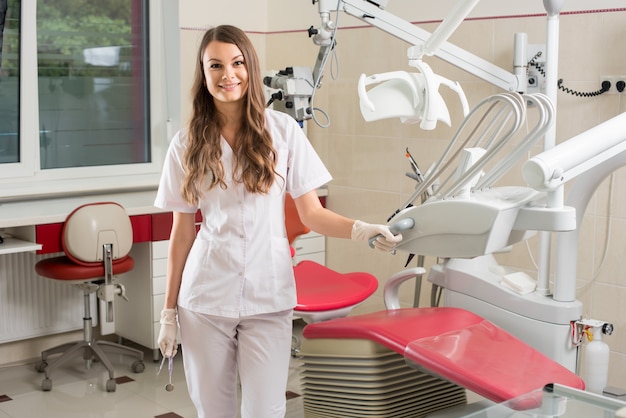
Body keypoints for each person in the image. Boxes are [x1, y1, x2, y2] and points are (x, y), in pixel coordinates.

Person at [154, 24, 402, 418]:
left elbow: (312, 213)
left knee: (267, 411)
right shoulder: (186, 143)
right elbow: (182, 233)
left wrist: (362, 229)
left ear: (250, 67)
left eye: (236, 63)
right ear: (203, 73)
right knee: (213, 411)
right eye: (215, 65)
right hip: (205, 297)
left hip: (268, 295)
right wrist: (168, 311)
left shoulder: (282, 132)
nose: (227, 75)